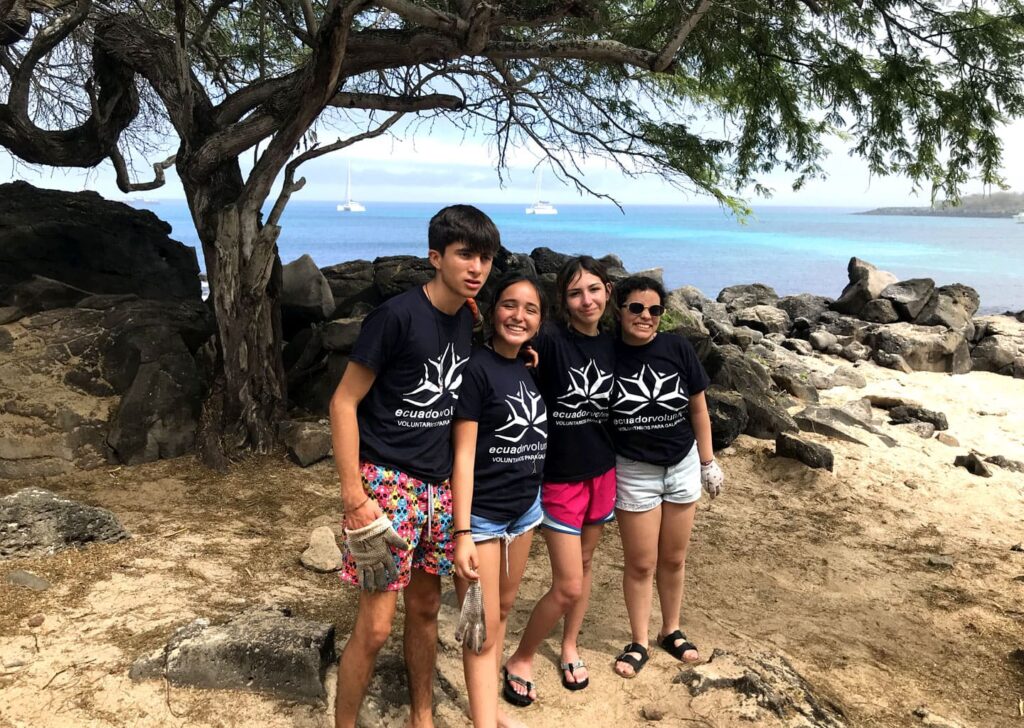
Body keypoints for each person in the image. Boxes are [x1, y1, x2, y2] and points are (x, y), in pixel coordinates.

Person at [329, 205, 499, 728]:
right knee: (376, 626)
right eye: (465, 254)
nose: (477, 267)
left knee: (426, 610)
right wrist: (355, 496)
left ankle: (421, 717)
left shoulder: (467, 320)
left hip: (438, 489)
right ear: (436, 257)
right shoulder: (397, 316)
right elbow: (343, 402)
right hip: (386, 485)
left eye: (485, 258)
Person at [503, 256, 617, 703]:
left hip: (603, 472)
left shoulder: (613, 345)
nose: (586, 300)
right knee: (568, 581)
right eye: (575, 293)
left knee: (585, 568)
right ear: (563, 302)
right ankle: (523, 656)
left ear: (607, 291)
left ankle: (570, 644)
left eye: (593, 289)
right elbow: (513, 345)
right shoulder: (549, 340)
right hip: (560, 478)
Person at [608, 275, 723, 678]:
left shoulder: (676, 348)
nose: (645, 316)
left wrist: (708, 463)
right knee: (641, 563)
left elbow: (698, 410)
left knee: (673, 559)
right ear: (619, 309)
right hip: (634, 470)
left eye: (654, 309)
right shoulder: (607, 354)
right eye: (636, 308)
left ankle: (670, 630)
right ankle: (638, 640)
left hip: (682, 465)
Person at [451, 272, 548, 728]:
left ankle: (486, 708)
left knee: (503, 611)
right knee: (481, 627)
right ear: (492, 311)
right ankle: (484, 723)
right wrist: (463, 531)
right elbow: (464, 455)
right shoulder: (475, 369)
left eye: (531, 309)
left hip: (524, 512)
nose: (519, 316)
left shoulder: (526, 365)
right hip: (483, 518)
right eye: (510, 305)